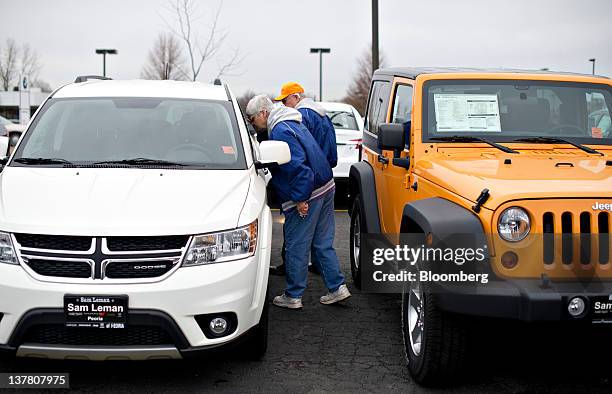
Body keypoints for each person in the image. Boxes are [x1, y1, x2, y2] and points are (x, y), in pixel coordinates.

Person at [246, 95, 350, 309]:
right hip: (326, 185)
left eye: (252, 119)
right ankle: (337, 287)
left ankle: (293, 296)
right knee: (322, 243)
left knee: (296, 246)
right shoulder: (292, 121)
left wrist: (301, 198)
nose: (252, 124)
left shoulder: (280, 131)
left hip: (308, 192)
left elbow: (297, 166)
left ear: (263, 113)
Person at [269, 82, 338, 276]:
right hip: (324, 179)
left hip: (310, 183)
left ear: (296, 97)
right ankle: (322, 269)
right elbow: (331, 153)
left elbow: (299, 155)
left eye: (285, 100)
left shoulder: (302, 116)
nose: (284, 105)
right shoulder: (322, 113)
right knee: (322, 237)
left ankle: (292, 273)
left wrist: (303, 191)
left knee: (296, 235)